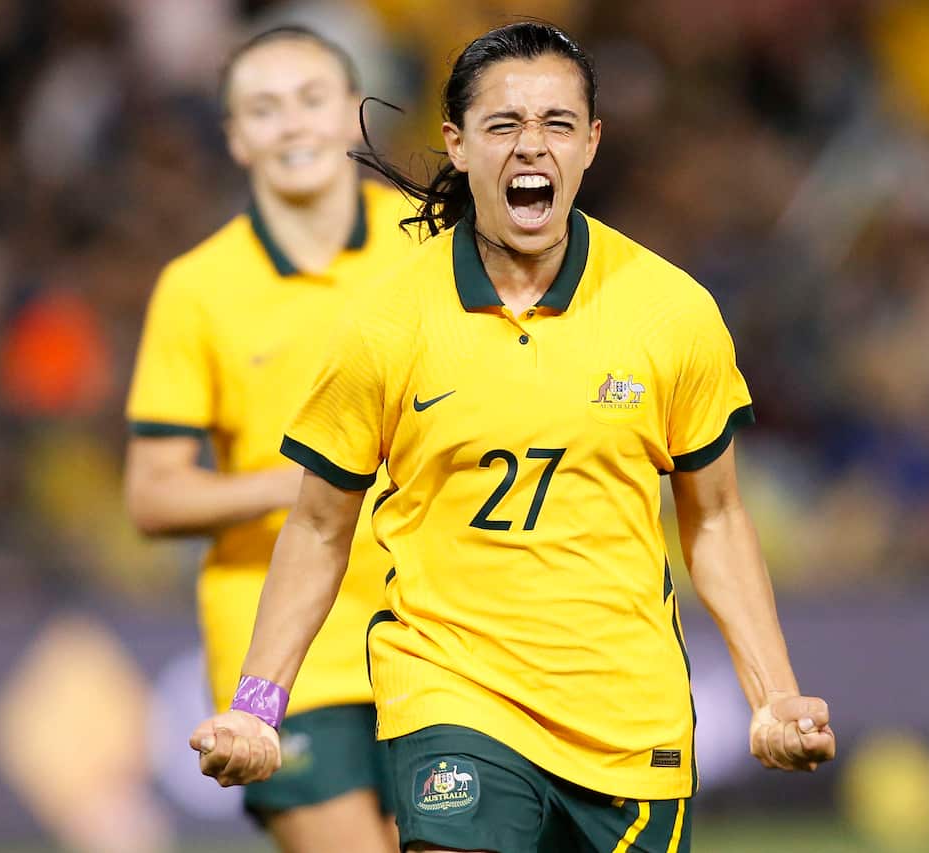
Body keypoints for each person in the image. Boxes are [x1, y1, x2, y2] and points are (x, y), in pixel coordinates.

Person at [189, 21, 836, 853]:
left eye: (558, 124)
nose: (533, 148)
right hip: (452, 692)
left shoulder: (672, 315)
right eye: (503, 126)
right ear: (457, 145)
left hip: (627, 725)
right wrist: (257, 706)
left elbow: (713, 518)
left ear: (592, 144)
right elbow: (318, 525)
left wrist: (773, 694)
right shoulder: (386, 325)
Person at [125, 25, 411, 853]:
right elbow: (153, 495)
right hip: (283, 650)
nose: (292, 124)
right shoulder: (199, 287)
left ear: (354, 117)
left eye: (313, 100)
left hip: (433, 626)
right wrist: (307, 482)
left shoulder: (434, 245)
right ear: (236, 137)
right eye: (265, 108)